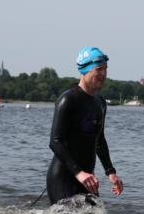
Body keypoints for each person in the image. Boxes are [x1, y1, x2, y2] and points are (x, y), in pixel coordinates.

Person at [46, 47, 124, 205]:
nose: (103, 74)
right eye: (98, 69)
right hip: (64, 177)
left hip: (87, 178)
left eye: (105, 69)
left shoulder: (100, 103)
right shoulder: (68, 100)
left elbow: (99, 140)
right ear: (85, 70)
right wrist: (79, 173)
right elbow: (55, 141)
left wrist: (111, 172)